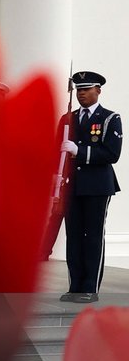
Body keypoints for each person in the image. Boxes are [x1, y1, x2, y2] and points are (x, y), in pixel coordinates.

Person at [60, 71, 122, 303]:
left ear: (98, 90)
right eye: (78, 90)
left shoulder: (109, 118)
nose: (82, 93)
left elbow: (112, 153)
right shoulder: (68, 119)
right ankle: (75, 286)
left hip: (97, 186)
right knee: (73, 236)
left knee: (93, 236)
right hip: (72, 186)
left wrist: (79, 151)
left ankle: (90, 287)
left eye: (86, 89)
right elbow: (57, 155)